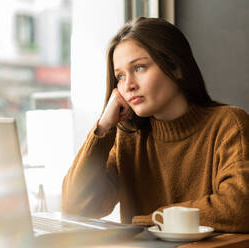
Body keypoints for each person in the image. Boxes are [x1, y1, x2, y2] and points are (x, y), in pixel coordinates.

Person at [61, 17, 249, 233]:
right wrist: (103, 128)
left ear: (176, 67)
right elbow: (75, 207)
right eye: (120, 76)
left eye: (139, 68)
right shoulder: (128, 137)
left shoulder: (229, 124)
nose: (128, 85)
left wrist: (151, 220)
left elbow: (240, 206)